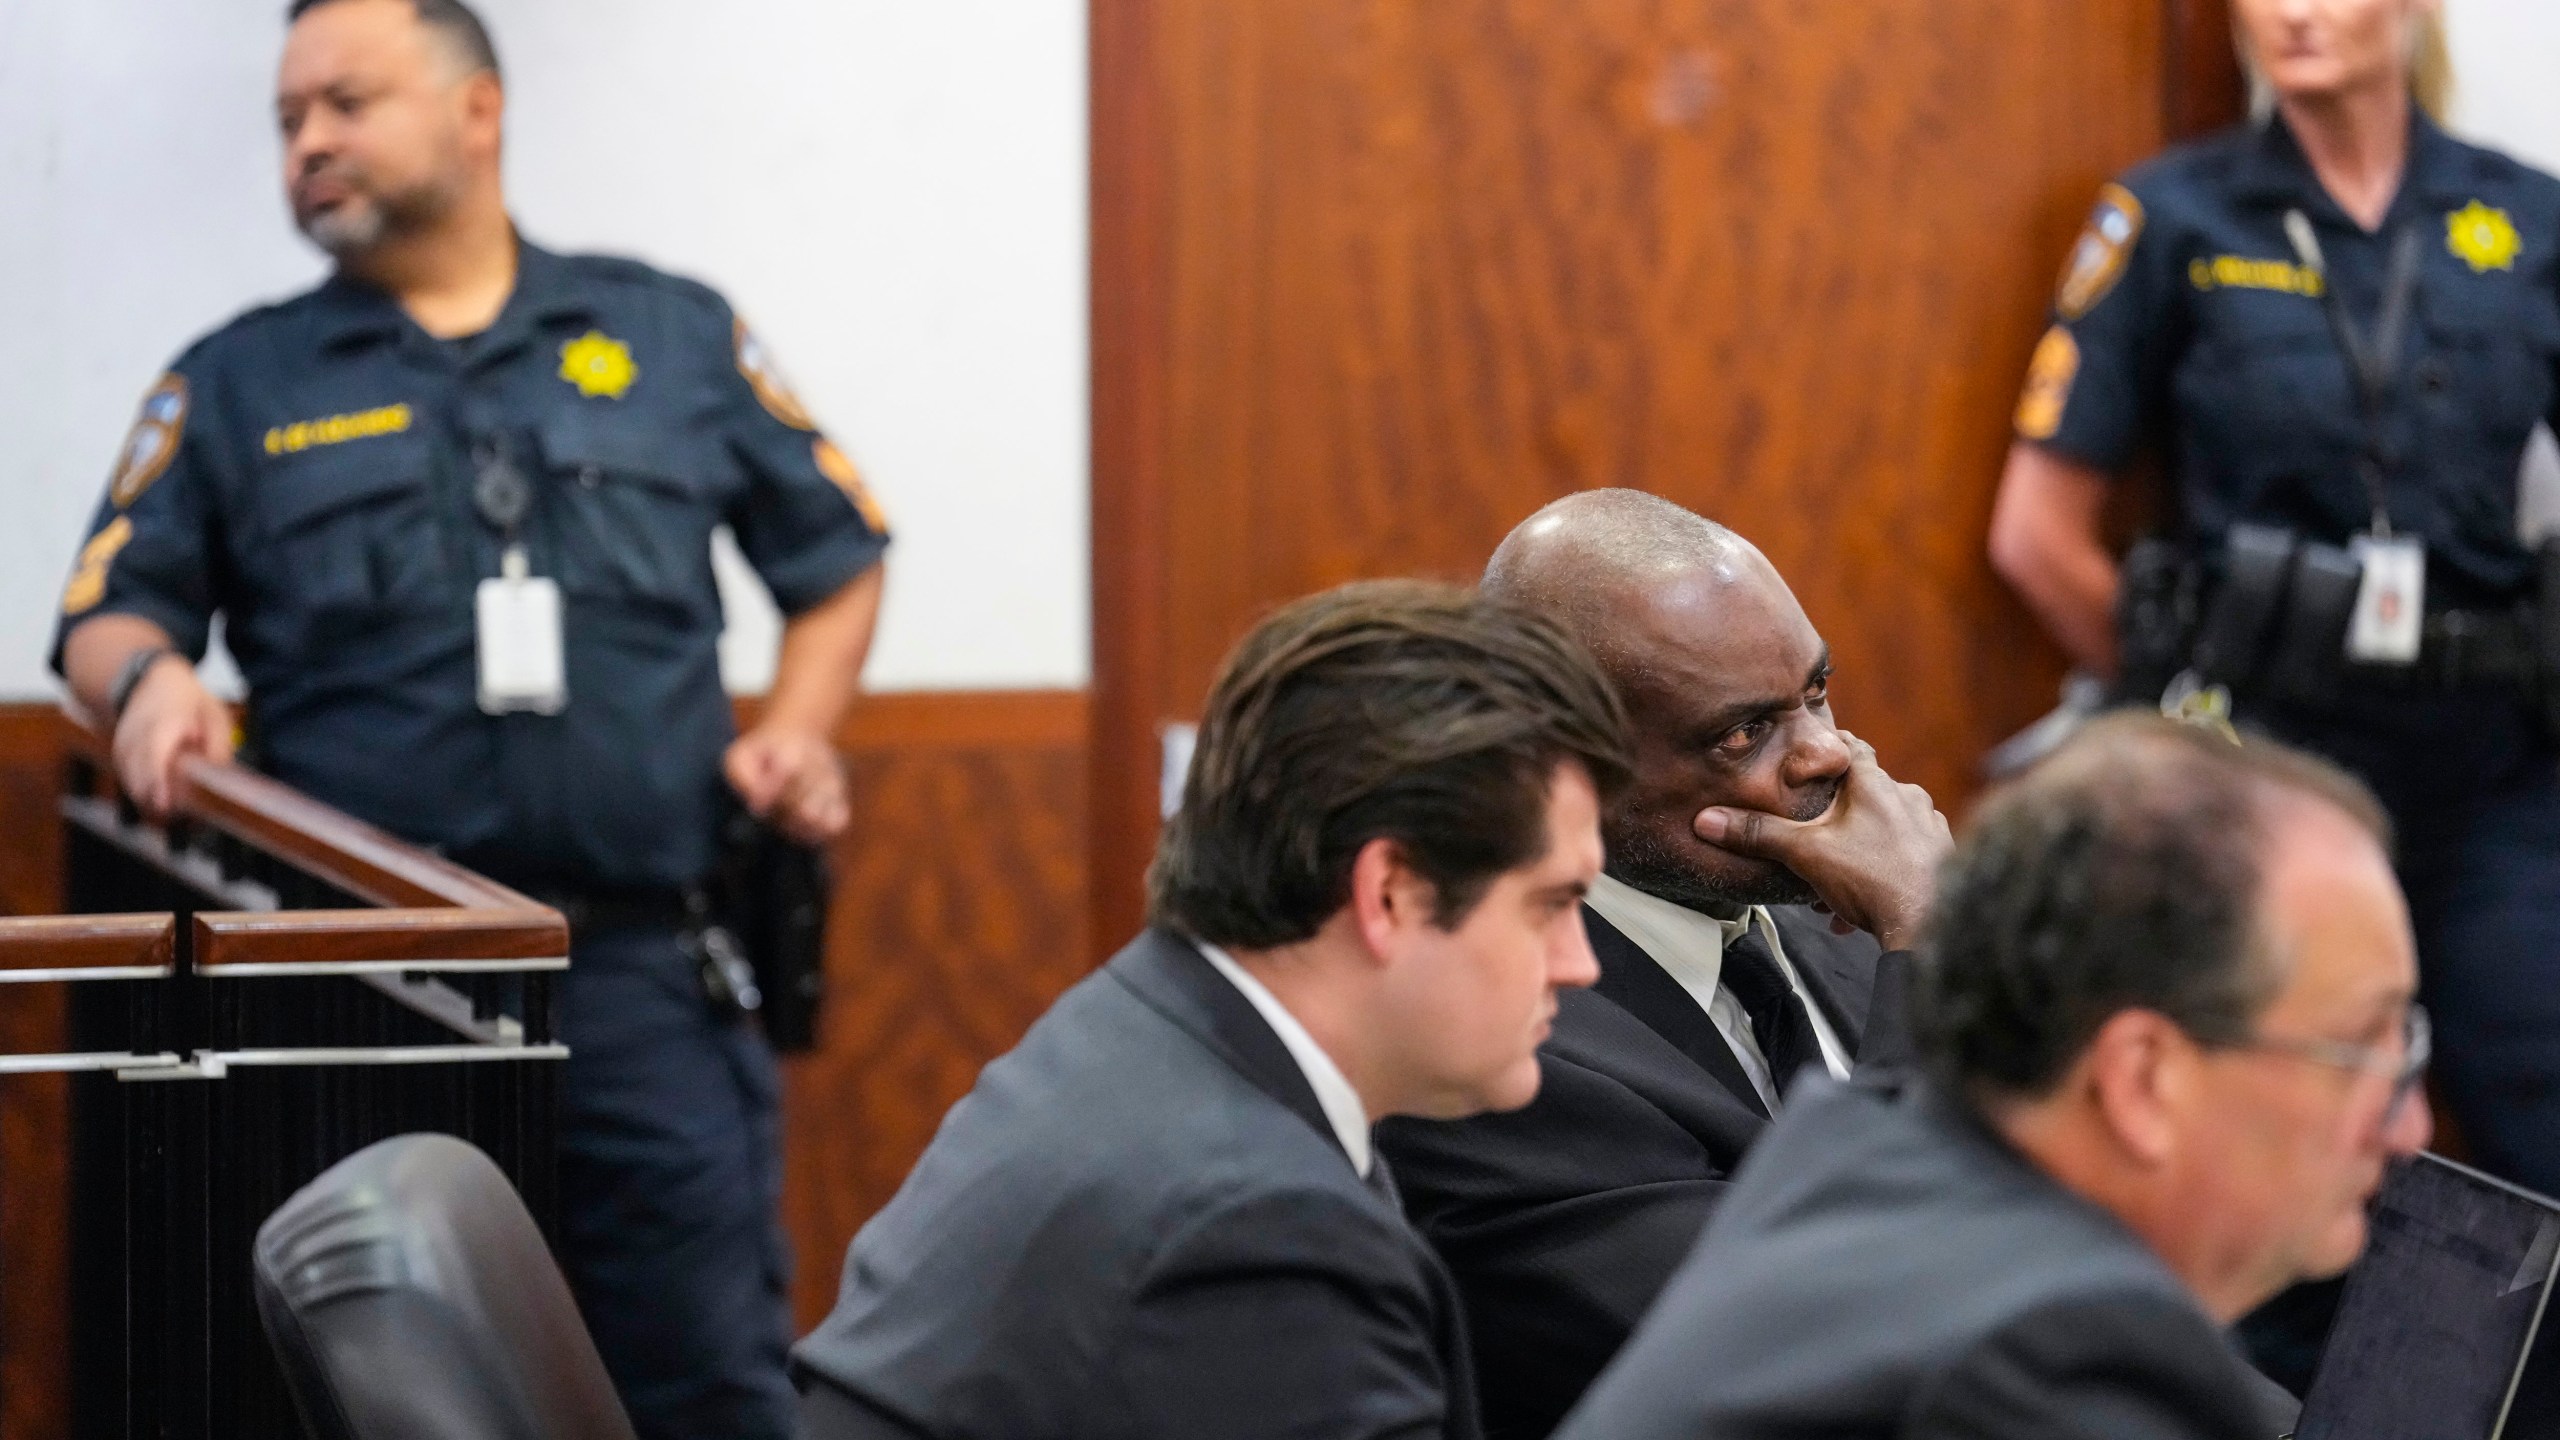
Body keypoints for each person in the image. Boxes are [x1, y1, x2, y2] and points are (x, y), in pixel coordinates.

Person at [48, 1, 890, 1433]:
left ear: (477, 112)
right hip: (358, 995)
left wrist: (798, 729)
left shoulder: (666, 332)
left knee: (707, 1388)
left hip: (638, 975)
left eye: (345, 103)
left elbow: (841, 555)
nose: (309, 141)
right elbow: (103, 616)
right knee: (366, 1394)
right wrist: (151, 682)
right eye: (287, 120)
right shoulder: (239, 381)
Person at [792, 579, 1632, 1440]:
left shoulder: (1137, 1027)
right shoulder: (1254, 1235)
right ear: (1389, 895)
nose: (1580, 964)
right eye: (1550, 904)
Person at [1986, 0, 2560, 1207]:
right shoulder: (2168, 216)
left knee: (2540, 1116)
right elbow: (2035, 537)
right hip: (2268, 776)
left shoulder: (2522, 215)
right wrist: (2188, 699)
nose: (2291, 11)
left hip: (2487, 771)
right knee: (2270, 1150)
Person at [1556, 715, 2430, 1440]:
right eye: (2361, 1054)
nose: (2409, 1127)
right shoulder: (2044, 1364)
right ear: (2142, 1079)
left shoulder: (1858, 1163)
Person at [1374, 489, 1952, 1439]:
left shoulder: (1824, 937)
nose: (1829, 757)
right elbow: (1846, 1368)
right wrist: (1933, 943)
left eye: (1816, 692)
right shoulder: (1497, 1064)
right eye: (1744, 733)